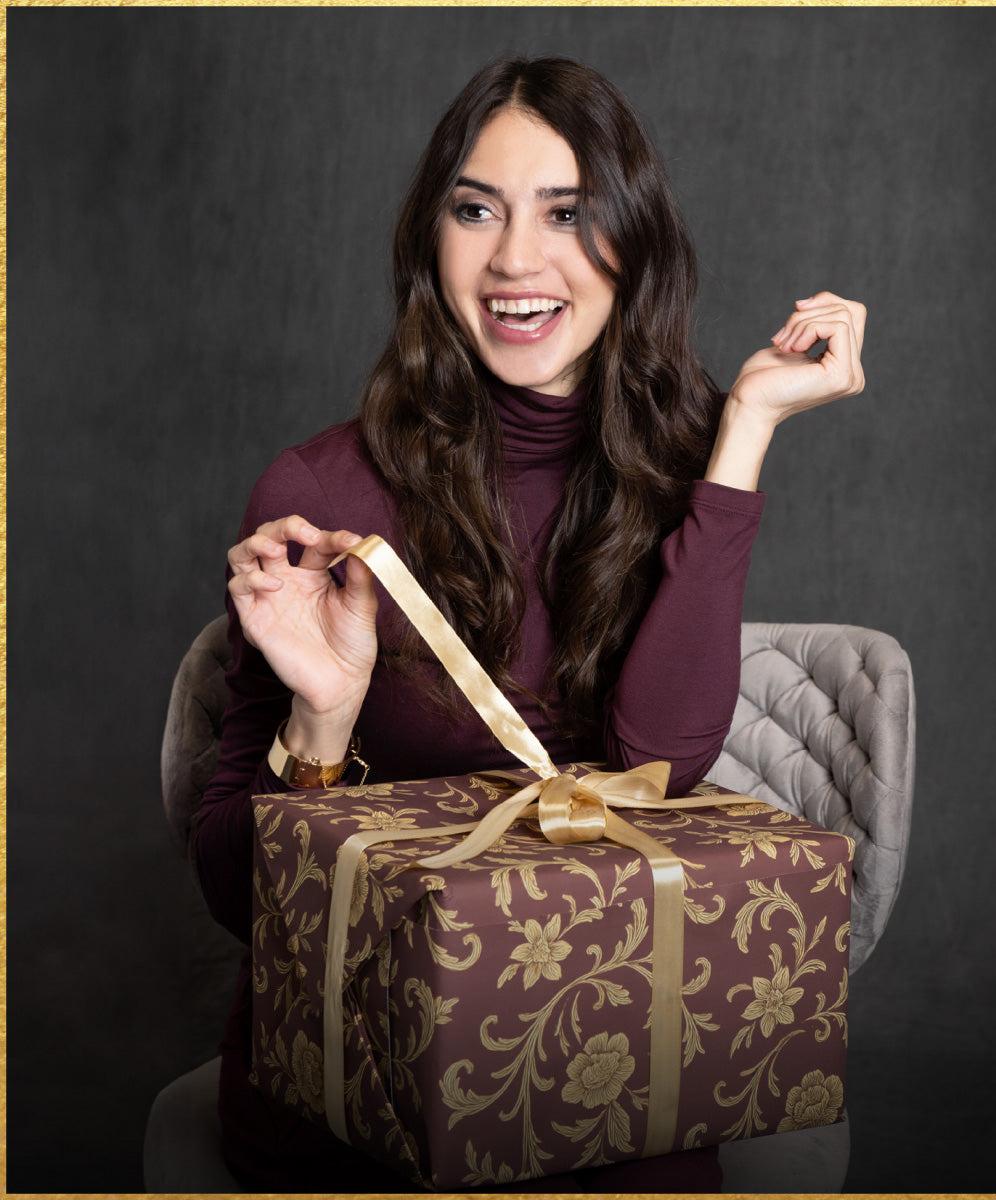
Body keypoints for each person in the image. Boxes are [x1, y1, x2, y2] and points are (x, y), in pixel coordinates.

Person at [194, 55, 865, 1192]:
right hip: (361, 1081)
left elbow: (657, 762)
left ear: (633, 245)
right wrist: (324, 719)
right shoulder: (321, 494)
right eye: (476, 211)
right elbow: (234, 897)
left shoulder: (678, 464)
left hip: (602, 1058)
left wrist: (745, 431)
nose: (514, 260)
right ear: (430, 239)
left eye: (566, 214)